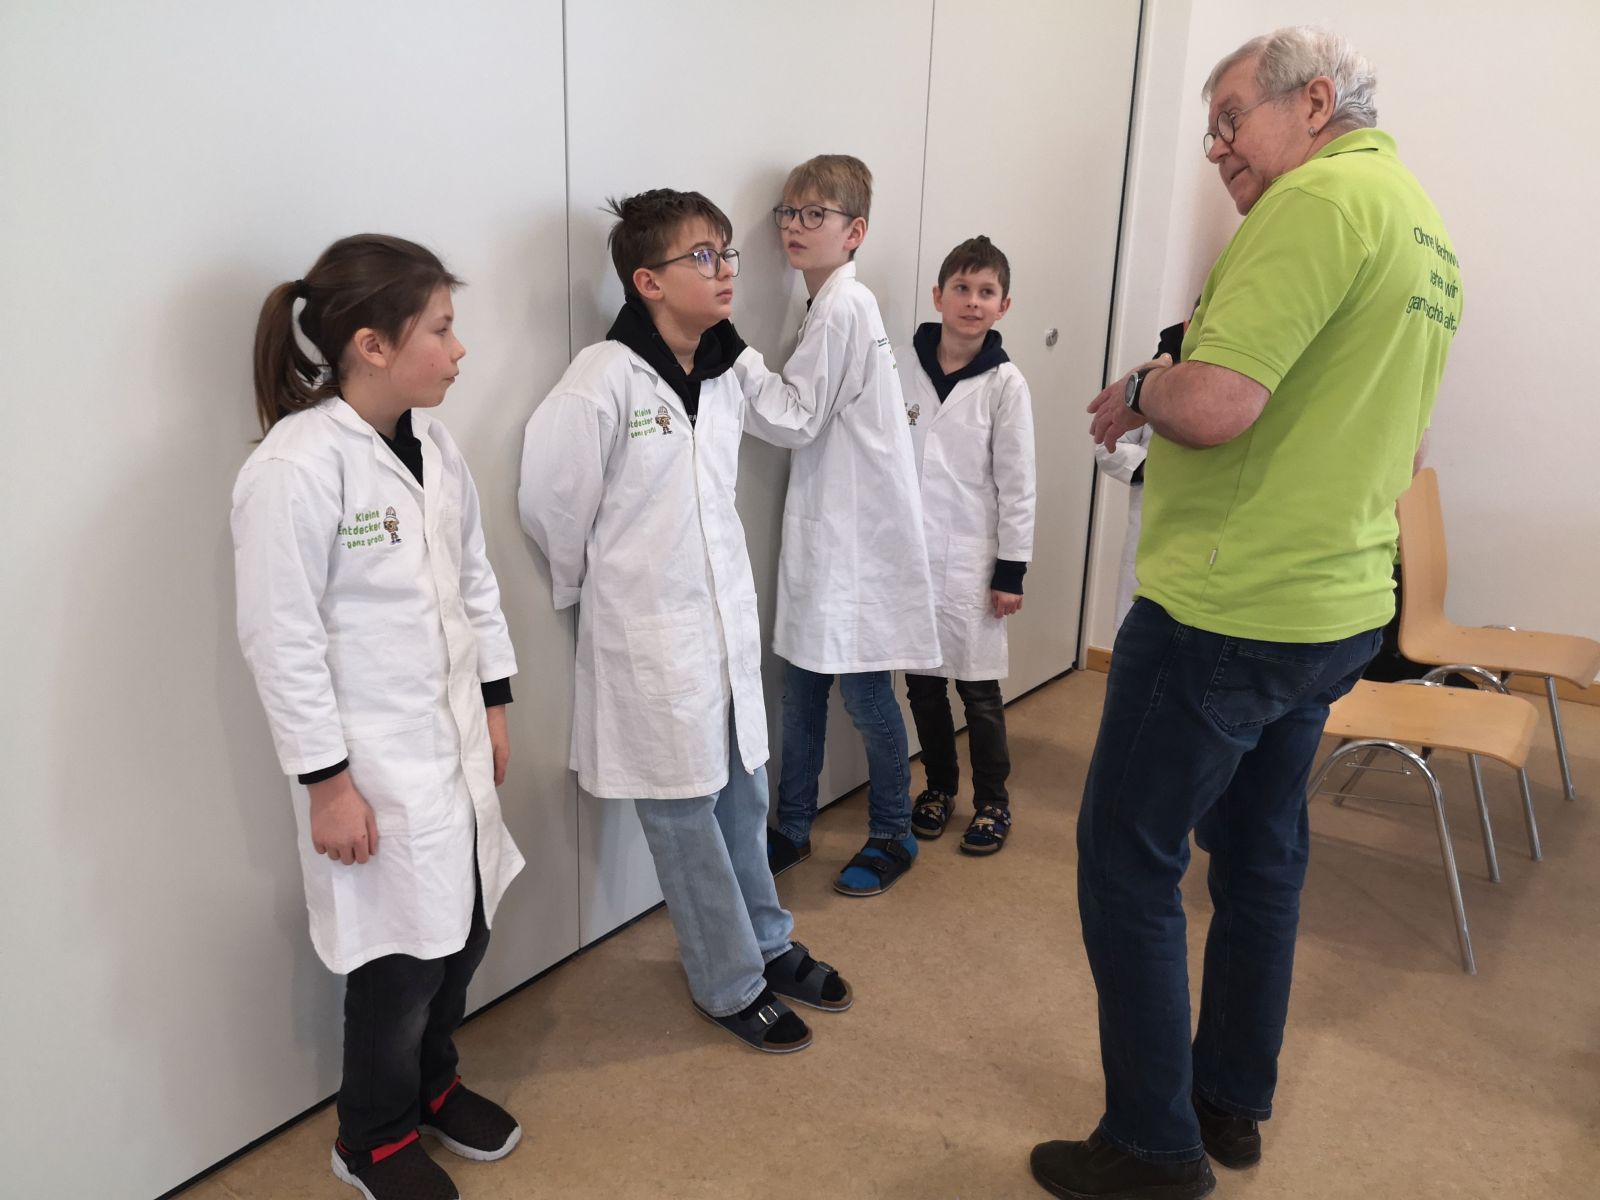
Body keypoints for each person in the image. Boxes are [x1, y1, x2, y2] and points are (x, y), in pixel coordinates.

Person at [1030, 27, 1464, 1200]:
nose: (1216, 145)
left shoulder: (1310, 205)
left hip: (1230, 605)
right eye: (1209, 127)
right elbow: (1406, 447)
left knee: (1126, 856)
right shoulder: (1422, 230)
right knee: (1263, 855)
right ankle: (1227, 1099)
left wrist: (1141, 386)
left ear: (1313, 102)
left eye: (1230, 117)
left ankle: (1152, 1145)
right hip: (1334, 605)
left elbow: (1218, 404)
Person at [518, 189, 851, 1055]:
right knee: (682, 817)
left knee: (743, 793)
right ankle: (727, 979)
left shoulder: (728, 364)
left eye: (727, 252)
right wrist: (606, 588)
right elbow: (551, 501)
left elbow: (790, 419)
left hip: (720, 623)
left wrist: (784, 327)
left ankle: (767, 943)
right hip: (650, 632)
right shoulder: (603, 377)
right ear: (648, 281)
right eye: (703, 257)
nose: (726, 269)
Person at [232, 234, 526, 1200]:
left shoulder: (434, 446)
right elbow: (280, 640)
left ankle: (433, 1086)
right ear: (372, 344)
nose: (459, 348)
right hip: (373, 769)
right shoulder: (297, 467)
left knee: (464, 933)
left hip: (454, 749)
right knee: (398, 964)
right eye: (441, 328)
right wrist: (327, 785)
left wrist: (494, 703)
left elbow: (474, 582)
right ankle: (372, 1137)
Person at [741, 154, 939, 897]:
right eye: (788, 213)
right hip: (834, 533)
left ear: (854, 232)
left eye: (814, 215)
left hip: (856, 541)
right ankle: (793, 826)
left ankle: (892, 832)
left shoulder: (844, 307)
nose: (795, 227)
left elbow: (796, 418)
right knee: (801, 688)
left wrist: (732, 356)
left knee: (863, 695)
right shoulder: (827, 304)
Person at [898, 235, 1036, 855]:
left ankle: (992, 801)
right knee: (923, 685)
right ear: (939, 296)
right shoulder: (902, 367)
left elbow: (1018, 484)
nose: (972, 302)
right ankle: (938, 788)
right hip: (911, 557)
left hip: (973, 561)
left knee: (978, 691)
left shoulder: (1006, 384)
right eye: (962, 288)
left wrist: (1011, 571)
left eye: (986, 292)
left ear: (1003, 306)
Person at [1093, 321, 1185, 631]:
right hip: (1152, 527)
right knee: (1139, 628)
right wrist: (1154, 466)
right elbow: (1108, 446)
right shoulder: (1152, 384)